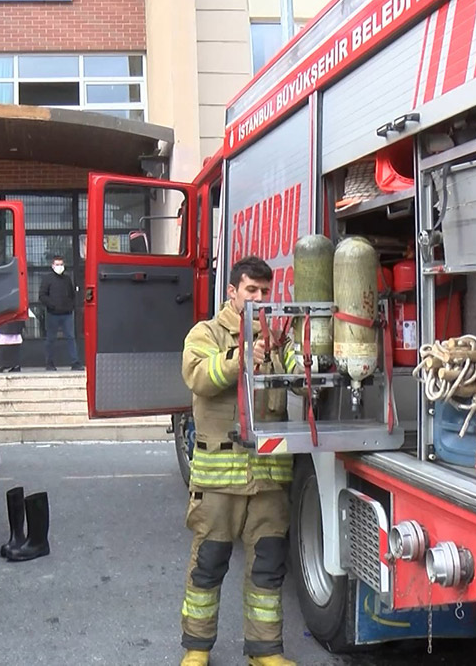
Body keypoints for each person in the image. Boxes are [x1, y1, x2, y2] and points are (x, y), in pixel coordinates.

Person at [177, 256, 301, 666]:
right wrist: (242, 357)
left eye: (266, 292)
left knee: (267, 570)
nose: (260, 298)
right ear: (233, 292)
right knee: (208, 567)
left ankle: (265, 652)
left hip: (268, 481)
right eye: (252, 290)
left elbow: (298, 387)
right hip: (218, 482)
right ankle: (196, 649)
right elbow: (198, 377)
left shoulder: (277, 336)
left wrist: (295, 353)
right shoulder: (206, 333)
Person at [38, 255, 81, 371]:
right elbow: (42, 295)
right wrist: (52, 305)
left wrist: (71, 306)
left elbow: (72, 294)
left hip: (67, 314)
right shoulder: (47, 279)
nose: (59, 267)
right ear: (52, 266)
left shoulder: (67, 279)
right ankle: (49, 363)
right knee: (50, 339)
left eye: (61, 264)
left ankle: (75, 362)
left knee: (71, 338)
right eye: (57, 264)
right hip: (53, 314)